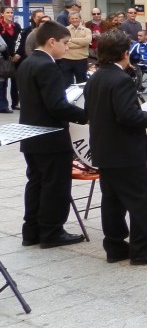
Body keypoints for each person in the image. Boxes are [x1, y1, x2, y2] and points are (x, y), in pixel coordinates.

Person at [83, 30, 147, 265]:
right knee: (140, 198)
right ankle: (143, 248)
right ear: (124, 53)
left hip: (104, 149)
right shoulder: (120, 79)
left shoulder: (96, 78)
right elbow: (127, 115)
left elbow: (91, 112)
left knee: (112, 200)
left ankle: (114, 246)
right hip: (125, 151)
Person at [17, 22, 88, 248]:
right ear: (52, 42)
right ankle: (51, 232)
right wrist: (86, 116)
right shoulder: (48, 66)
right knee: (54, 185)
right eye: (65, 43)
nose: (67, 48)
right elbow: (57, 106)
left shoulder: (28, 63)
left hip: (30, 135)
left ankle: (31, 231)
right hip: (50, 136)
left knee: (36, 182)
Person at [0, 7, 22, 113]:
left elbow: (19, 41)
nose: (10, 14)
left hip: (15, 57)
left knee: (16, 81)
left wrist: (17, 54)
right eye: (7, 12)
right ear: (2, 14)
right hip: (2, 58)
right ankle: (3, 105)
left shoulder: (16, 26)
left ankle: (15, 103)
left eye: (11, 12)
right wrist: (7, 55)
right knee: (3, 82)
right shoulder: (0, 26)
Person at [62, 12, 92, 86]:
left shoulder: (87, 30)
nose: (75, 20)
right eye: (72, 18)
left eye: (76, 18)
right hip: (67, 59)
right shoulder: (64, 30)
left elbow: (87, 41)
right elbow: (64, 43)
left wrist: (71, 39)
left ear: (80, 19)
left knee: (82, 83)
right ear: (69, 20)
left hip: (81, 59)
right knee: (67, 83)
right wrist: (81, 44)